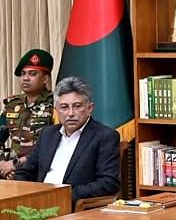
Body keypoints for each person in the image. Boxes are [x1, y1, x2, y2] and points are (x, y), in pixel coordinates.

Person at [15, 76, 120, 208]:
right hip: (37, 203)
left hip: (72, 206)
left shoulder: (105, 136)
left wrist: (66, 194)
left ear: (89, 108)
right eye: (64, 107)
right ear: (56, 110)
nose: (71, 113)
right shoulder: (48, 134)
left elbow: (108, 183)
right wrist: (28, 195)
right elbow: (25, 172)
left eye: (77, 106)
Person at [0, 49, 55, 179]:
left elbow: (55, 145)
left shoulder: (55, 105)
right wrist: (2, 164)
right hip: (8, 170)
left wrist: (14, 165)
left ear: (45, 79)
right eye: (23, 73)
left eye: (32, 74)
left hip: (38, 170)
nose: (25, 78)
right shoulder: (12, 105)